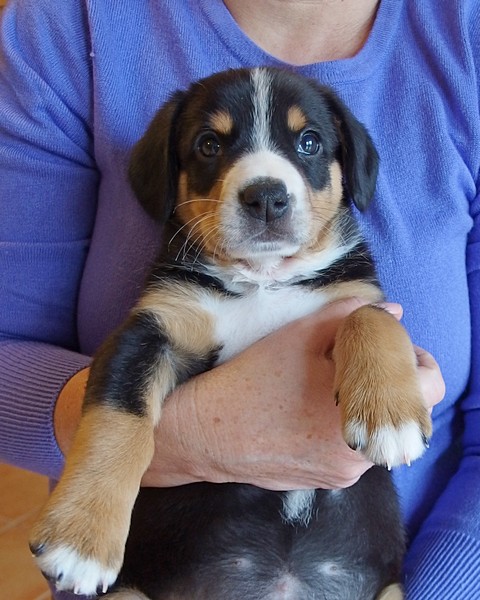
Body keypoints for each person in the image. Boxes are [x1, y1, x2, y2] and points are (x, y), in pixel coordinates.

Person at [0, 0, 478, 598]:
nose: (265, 189)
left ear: (348, 171)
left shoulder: (464, 34)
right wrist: (198, 437)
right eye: (210, 145)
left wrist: (375, 339)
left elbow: (375, 326)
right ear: (168, 179)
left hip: (369, 581)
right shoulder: (64, 25)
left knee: (371, 323)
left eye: (308, 144)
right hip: (167, 581)